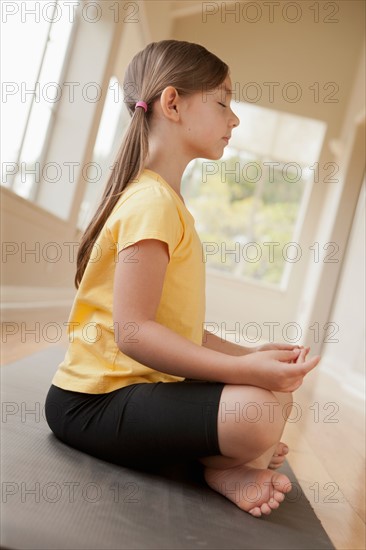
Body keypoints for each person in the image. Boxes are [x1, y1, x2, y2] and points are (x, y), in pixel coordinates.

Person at [45, 40, 320, 518]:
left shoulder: (166, 201)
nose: (234, 120)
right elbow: (135, 334)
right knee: (258, 413)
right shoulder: (151, 203)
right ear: (172, 103)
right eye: (224, 102)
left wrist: (253, 356)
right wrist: (243, 373)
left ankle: (218, 457)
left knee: (271, 399)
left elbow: (179, 331)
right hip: (90, 406)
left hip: (133, 396)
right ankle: (221, 460)